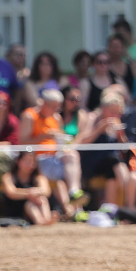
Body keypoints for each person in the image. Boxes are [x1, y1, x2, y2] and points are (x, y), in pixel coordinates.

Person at [19, 88, 88, 219]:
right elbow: (23, 142)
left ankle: (74, 192)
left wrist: (63, 144)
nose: (56, 110)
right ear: (43, 103)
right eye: (53, 107)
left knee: (72, 155)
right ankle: (74, 211)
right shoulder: (29, 116)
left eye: (58, 107)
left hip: (55, 157)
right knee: (59, 181)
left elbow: (60, 140)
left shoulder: (56, 118)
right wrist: (43, 136)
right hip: (37, 159)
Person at [1, 151, 55, 225]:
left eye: (32, 162)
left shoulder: (38, 177)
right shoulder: (9, 177)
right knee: (29, 204)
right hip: (16, 210)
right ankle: (40, 221)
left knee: (42, 199)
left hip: (36, 205)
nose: (30, 165)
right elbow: (11, 192)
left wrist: (34, 192)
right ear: (18, 161)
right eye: (26, 161)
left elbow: (46, 191)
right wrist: (30, 193)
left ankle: (46, 219)